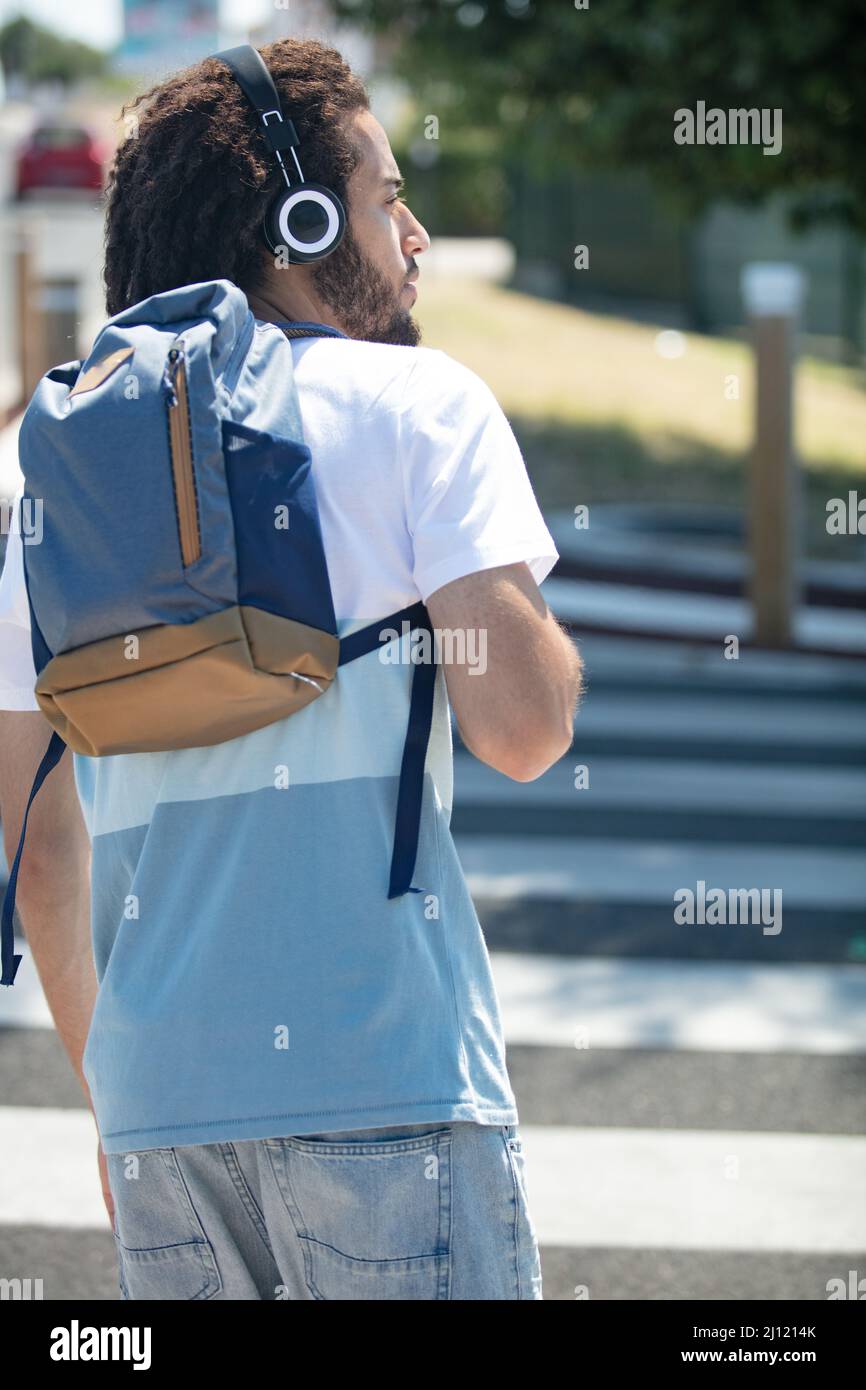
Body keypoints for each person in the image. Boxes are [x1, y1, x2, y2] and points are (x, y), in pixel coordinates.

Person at [0, 37, 582, 1300]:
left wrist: (114, 1094)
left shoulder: (63, 476)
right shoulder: (421, 406)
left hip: (159, 1107)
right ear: (300, 220)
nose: (413, 233)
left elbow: (34, 842)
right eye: (385, 198)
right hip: (383, 1074)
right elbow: (524, 730)